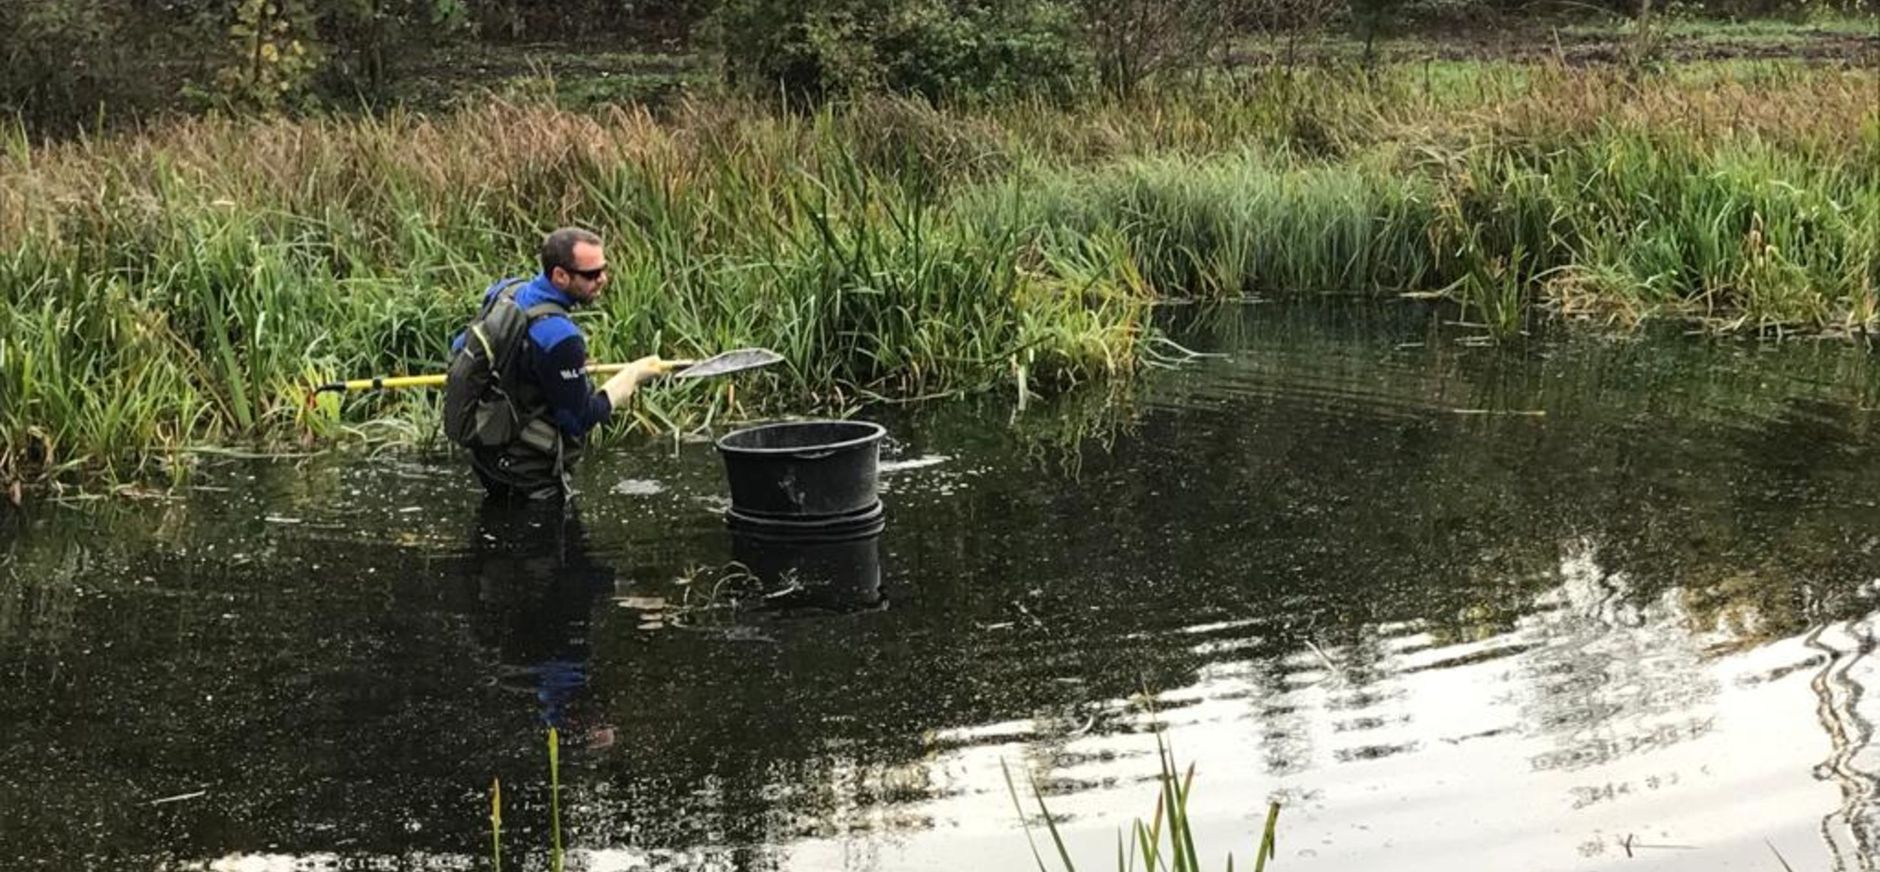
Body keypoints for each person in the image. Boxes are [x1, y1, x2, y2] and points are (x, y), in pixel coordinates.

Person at [454, 227, 672, 500]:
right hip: (531, 478)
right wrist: (628, 379)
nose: (602, 279)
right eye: (591, 274)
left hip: (489, 460)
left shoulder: (507, 291)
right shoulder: (560, 337)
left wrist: (543, 369)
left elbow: (459, 345)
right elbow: (579, 420)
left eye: (604, 269)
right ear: (560, 275)